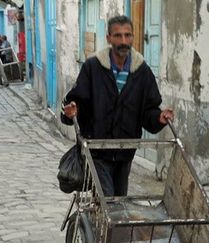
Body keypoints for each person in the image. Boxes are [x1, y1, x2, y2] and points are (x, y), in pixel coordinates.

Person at [61, 15, 174, 197]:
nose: (123, 41)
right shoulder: (93, 67)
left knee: (120, 200)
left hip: (125, 151)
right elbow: (76, 102)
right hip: (97, 150)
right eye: (118, 35)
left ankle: (101, 224)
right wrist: (71, 111)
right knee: (109, 203)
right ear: (108, 38)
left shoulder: (142, 71)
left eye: (127, 35)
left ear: (133, 37)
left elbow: (149, 111)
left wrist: (159, 118)